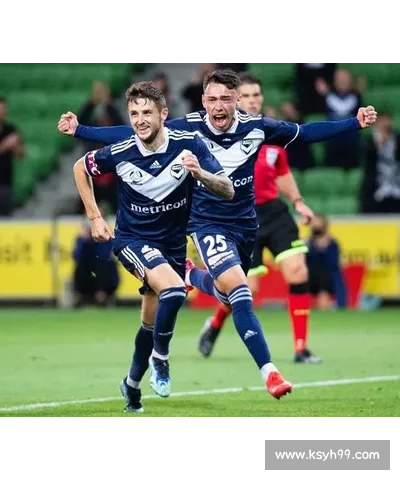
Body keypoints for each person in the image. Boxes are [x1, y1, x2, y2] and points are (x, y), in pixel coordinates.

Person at [59, 69, 378, 400]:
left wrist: (354, 123)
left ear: (237, 101)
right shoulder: (189, 128)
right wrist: (81, 130)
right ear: (203, 101)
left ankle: (188, 283)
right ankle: (269, 371)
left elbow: (306, 132)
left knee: (217, 296)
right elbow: (135, 132)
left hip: (245, 223)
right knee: (240, 290)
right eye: (212, 99)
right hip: (205, 223)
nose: (218, 106)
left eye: (226, 99)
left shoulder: (257, 127)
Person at [70, 81, 233, 413]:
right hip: (133, 241)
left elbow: (227, 189)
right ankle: (161, 358)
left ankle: (131, 385)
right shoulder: (121, 151)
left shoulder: (189, 145)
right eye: (134, 114)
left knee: (150, 322)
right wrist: (95, 217)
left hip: (172, 246)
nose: (140, 120)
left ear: (163, 114)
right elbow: (80, 168)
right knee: (174, 290)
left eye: (146, 112)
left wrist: (201, 174)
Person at [195, 72, 321, 364]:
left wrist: (298, 201)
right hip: (239, 215)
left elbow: (282, 172)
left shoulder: (271, 133)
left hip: (273, 212)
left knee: (298, 271)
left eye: (256, 95)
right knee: (245, 288)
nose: (252, 101)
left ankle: (301, 348)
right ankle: (215, 324)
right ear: (236, 99)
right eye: (246, 96)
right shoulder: (219, 134)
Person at [305, 214, 348, 310]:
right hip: (311, 276)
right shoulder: (307, 243)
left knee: (325, 274)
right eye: (314, 223)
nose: (315, 226)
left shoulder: (332, 243)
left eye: (318, 223)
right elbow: (305, 261)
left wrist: (324, 248)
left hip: (327, 277)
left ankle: (324, 304)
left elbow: (333, 263)